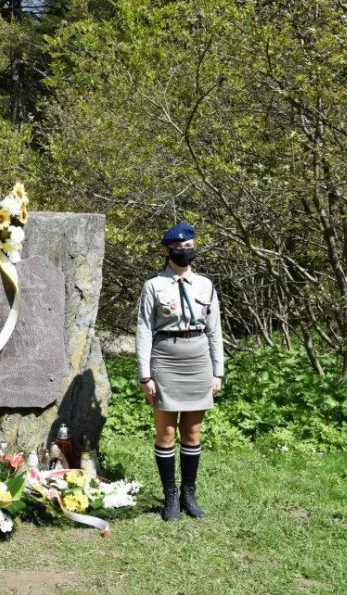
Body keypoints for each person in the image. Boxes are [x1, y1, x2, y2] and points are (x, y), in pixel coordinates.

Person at [136, 222, 223, 521]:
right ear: (166, 250)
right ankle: (170, 496)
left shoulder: (205, 285)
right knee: (166, 433)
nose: (186, 251)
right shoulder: (154, 286)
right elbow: (145, 330)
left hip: (198, 358)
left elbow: (214, 330)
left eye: (190, 247)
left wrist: (218, 371)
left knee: (193, 432)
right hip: (166, 359)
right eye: (180, 248)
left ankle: (189, 494)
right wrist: (145, 375)